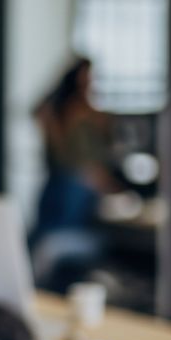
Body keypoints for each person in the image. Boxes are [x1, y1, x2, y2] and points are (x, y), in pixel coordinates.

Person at [29, 57, 120, 291]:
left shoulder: (85, 111)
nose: (90, 81)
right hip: (69, 187)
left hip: (66, 187)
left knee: (47, 252)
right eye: (87, 75)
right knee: (53, 251)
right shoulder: (72, 113)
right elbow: (85, 164)